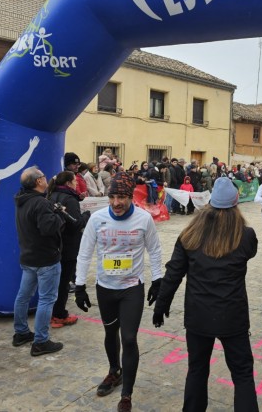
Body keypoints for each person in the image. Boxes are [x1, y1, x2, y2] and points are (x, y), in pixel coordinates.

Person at [153, 177, 259, 412]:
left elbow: (174, 273)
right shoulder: (245, 235)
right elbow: (250, 252)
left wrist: (161, 305)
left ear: (210, 202)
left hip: (198, 315)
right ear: (235, 204)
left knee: (197, 370)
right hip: (232, 315)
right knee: (242, 373)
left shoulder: (190, 234)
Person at [74, 172, 163, 412]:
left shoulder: (144, 219)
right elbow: (84, 253)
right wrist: (80, 285)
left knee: (129, 338)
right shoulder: (97, 219)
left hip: (132, 288)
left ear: (131, 196)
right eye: (112, 197)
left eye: (122, 197)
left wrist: (157, 280)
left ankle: (126, 395)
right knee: (110, 332)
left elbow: (155, 250)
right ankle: (115, 371)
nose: (116, 203)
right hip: (106, 288)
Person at [12, 166, 65, 356]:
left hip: (28, 257)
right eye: (43, 176)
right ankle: (41, 342)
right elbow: (48, 228)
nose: (46, 178)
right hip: (45, 259)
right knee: (47, 299)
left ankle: (21, 333)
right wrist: (59, 215)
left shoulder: (22, 199)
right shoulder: (40, 203)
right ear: (38, 181)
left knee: (23, 296)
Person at [48, 171, 91, 328]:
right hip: (68, 246)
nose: (76, 183)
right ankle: (59, 315)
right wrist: (86, 215)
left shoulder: (51, 196)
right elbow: (75, 224)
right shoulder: (69, 199)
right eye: (74, 181)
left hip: (54, 245)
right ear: (67, 183)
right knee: (64, 282)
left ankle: (52, 312)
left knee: (55, 282)